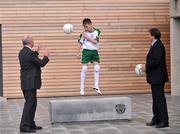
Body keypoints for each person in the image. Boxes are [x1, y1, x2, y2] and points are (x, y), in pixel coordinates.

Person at [19, 36, 49, 133]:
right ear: (31, 43)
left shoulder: (23, 52)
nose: (34, 42)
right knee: (29, 105)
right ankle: (24, 126)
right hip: (30, 83)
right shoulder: (30, 53)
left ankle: (31, 124)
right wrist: (46, 56)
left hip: (27, 83)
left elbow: (32, 59)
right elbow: (40, 63)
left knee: (32, 104)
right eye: (33, 41)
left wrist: (36, 52)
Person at [141, 28, 169, 128]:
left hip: (158, 77)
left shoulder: (158, 46)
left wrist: (146, 66)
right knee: (155, 99)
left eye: (149, 35)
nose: (148, 36)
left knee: (159, 99)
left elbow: (157, 61)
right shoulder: (154, 45)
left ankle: (164, 121)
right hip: (155, 77)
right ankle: (156, 119)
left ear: (153, 36)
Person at [77, 18, 102, 96]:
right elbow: (80, 43)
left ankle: (96, 86)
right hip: (86, 51)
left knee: (97, 67)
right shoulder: (83, 33)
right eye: (84, 27)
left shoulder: (97, 31)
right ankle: (81, 88)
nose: (86, 28)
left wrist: (87, 37)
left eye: (87, 26)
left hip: (94, 51)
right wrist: (78, 53)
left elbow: (95, 42)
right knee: (84, 68)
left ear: (91, 24)